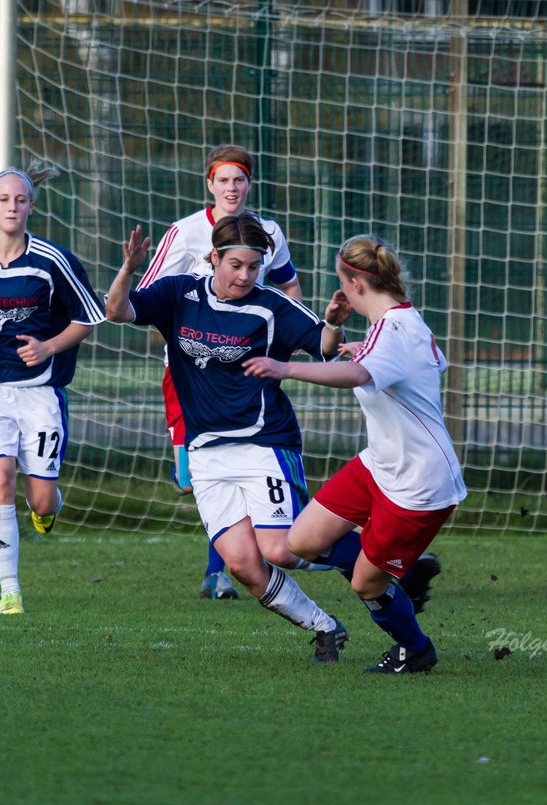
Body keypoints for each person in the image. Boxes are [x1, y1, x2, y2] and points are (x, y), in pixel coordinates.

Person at [107, 210, 362, 663]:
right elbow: (118, 311)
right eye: (236, 265)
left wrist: (335, 322)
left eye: (254, 265)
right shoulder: (178, 294)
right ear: (213, 258)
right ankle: (325, 627)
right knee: (244, 565)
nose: (245, 275)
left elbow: (322, 348)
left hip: (264, 442)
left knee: (279, 550)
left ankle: (377, 555)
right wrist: (128, 269)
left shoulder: (271, 306)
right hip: (207, 451)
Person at [243, 235, 465, 674]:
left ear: (357, 283)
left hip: (419, 483)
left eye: (341, 281)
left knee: (366, 584)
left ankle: (415, 649)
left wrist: (286, 367)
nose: (341, 290)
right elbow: (419, 365)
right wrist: (347, 339)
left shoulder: (393, 333)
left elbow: (359, 374)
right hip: (380, 463)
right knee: (301, 541)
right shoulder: (400, 321)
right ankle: (403, 572)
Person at [136, 144, 303, 601]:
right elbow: (147, 294)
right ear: (209, 183)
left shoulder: (268, 231)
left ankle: (224, 571)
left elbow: (288, 284)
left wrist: (291, 329)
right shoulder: (185, 232)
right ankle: (237, 558)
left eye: (239, 179)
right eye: (223, 180)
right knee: (193, 474)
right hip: (193, 369)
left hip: (250, 360)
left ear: (250, 184)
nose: (232, 188)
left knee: (245, 454)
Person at [0, 164, 105, 615]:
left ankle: (47, 505)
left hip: (40, 393)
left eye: (20, 200)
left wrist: (49, 346)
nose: (12, 206)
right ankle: (9, 589)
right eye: (4, 199)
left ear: (31, 206)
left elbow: (89, 316)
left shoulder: (55, 261)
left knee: (40, 498)